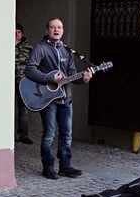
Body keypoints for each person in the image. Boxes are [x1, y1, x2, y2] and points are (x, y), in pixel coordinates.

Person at [24, 17, 92, 179]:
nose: (56, 30)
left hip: (65, 99)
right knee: (49, 133)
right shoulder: (40, 48)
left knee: (67, 134)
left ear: (63, 31)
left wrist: (84, 79)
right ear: (47, 30)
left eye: (59, 27)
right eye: (53, 27)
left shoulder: (67, 51)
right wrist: (49, 79)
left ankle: (65, 166)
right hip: (47, 99)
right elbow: (29, 70)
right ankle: (48, 167)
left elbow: (71, 74)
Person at [14, 23, 34, 144]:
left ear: (22, 34)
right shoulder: (5, 46)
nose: (16, 34)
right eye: (14, 31)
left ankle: (23, 135)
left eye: (19, 32)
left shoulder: (28, 47)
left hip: (23, 82)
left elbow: (33, 65)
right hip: (8, 83)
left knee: (23, 109)